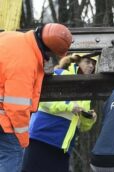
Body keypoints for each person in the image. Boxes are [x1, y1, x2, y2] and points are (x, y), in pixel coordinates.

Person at [0, 23, 72, 172]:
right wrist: (23, 139)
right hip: (4, 119)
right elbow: (17, 107)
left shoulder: (11, 37)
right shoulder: (26, 62)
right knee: (12, 155)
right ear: (48, 51)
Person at [21, 53, 98, 172]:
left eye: (93, 63)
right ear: (77, 62)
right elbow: (41, 100)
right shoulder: (59, 74)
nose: (91, 66)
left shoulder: (87, 89)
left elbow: (82, 126)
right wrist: (69, 106)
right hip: (41, 139)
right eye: (87, 62)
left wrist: (89, 118)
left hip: (63, 147)